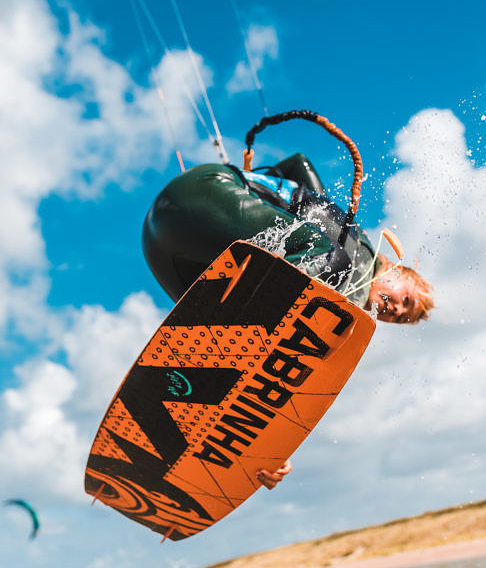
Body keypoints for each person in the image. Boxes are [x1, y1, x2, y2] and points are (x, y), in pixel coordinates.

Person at [142, 155, 434, 487]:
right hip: (202, 195)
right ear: (398, 270)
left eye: (399, 319)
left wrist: (266, 453)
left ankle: (178, 414)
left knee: (219, 357)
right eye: (405, 300)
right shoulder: (353, 258)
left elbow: (298, 164)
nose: (395, 312)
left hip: (168, 250)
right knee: (327, 263)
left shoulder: (331, 296)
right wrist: (251, 183)